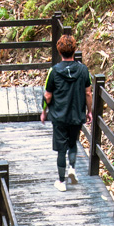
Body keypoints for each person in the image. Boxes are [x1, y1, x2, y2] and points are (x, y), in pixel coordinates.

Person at [41, 34, 93, 192]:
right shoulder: (83, 70)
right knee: (73, 143)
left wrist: (44, 111)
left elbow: (48, 95)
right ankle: (72, 170)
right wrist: (89, 111)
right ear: (74, 50)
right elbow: (88, 93)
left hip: (59, 116)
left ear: (59, 51)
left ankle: (61, 182)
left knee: (61, 149)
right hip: (76, 115)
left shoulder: (54, 71)